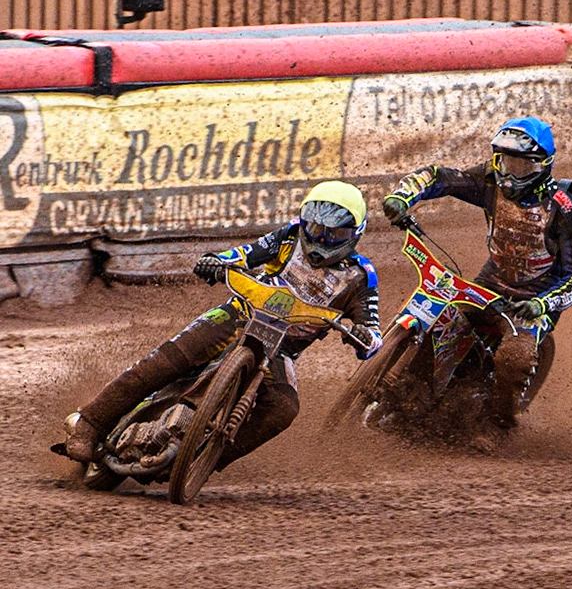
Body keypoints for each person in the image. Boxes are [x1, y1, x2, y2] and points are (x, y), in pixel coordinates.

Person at [63, 180, 383, 469]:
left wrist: (362, 336)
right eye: (315, 228)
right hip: (238, 315)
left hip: (280, 351)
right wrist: (218, 261)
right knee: (174, 356)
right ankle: (90, 423)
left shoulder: (361, 277)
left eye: (334, 234)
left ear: (355, 234)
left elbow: (374, 334)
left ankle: (207, 459)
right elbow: (245, 254)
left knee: (284, 408)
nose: (321, 239)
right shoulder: (288, 237)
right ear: (304, 222)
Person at [381, 116, 572, 451]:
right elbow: (440, 177)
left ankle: (499, 426)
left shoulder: (567, 211)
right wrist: (403, 196)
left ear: (542, 167)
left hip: (534, 300)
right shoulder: (490, 180)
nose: (510, 173)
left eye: (521, 166)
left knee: (515, 358)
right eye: (505, 161)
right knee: (440, 314)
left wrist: (542, 304)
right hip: (490, 282)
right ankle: (412, 394)